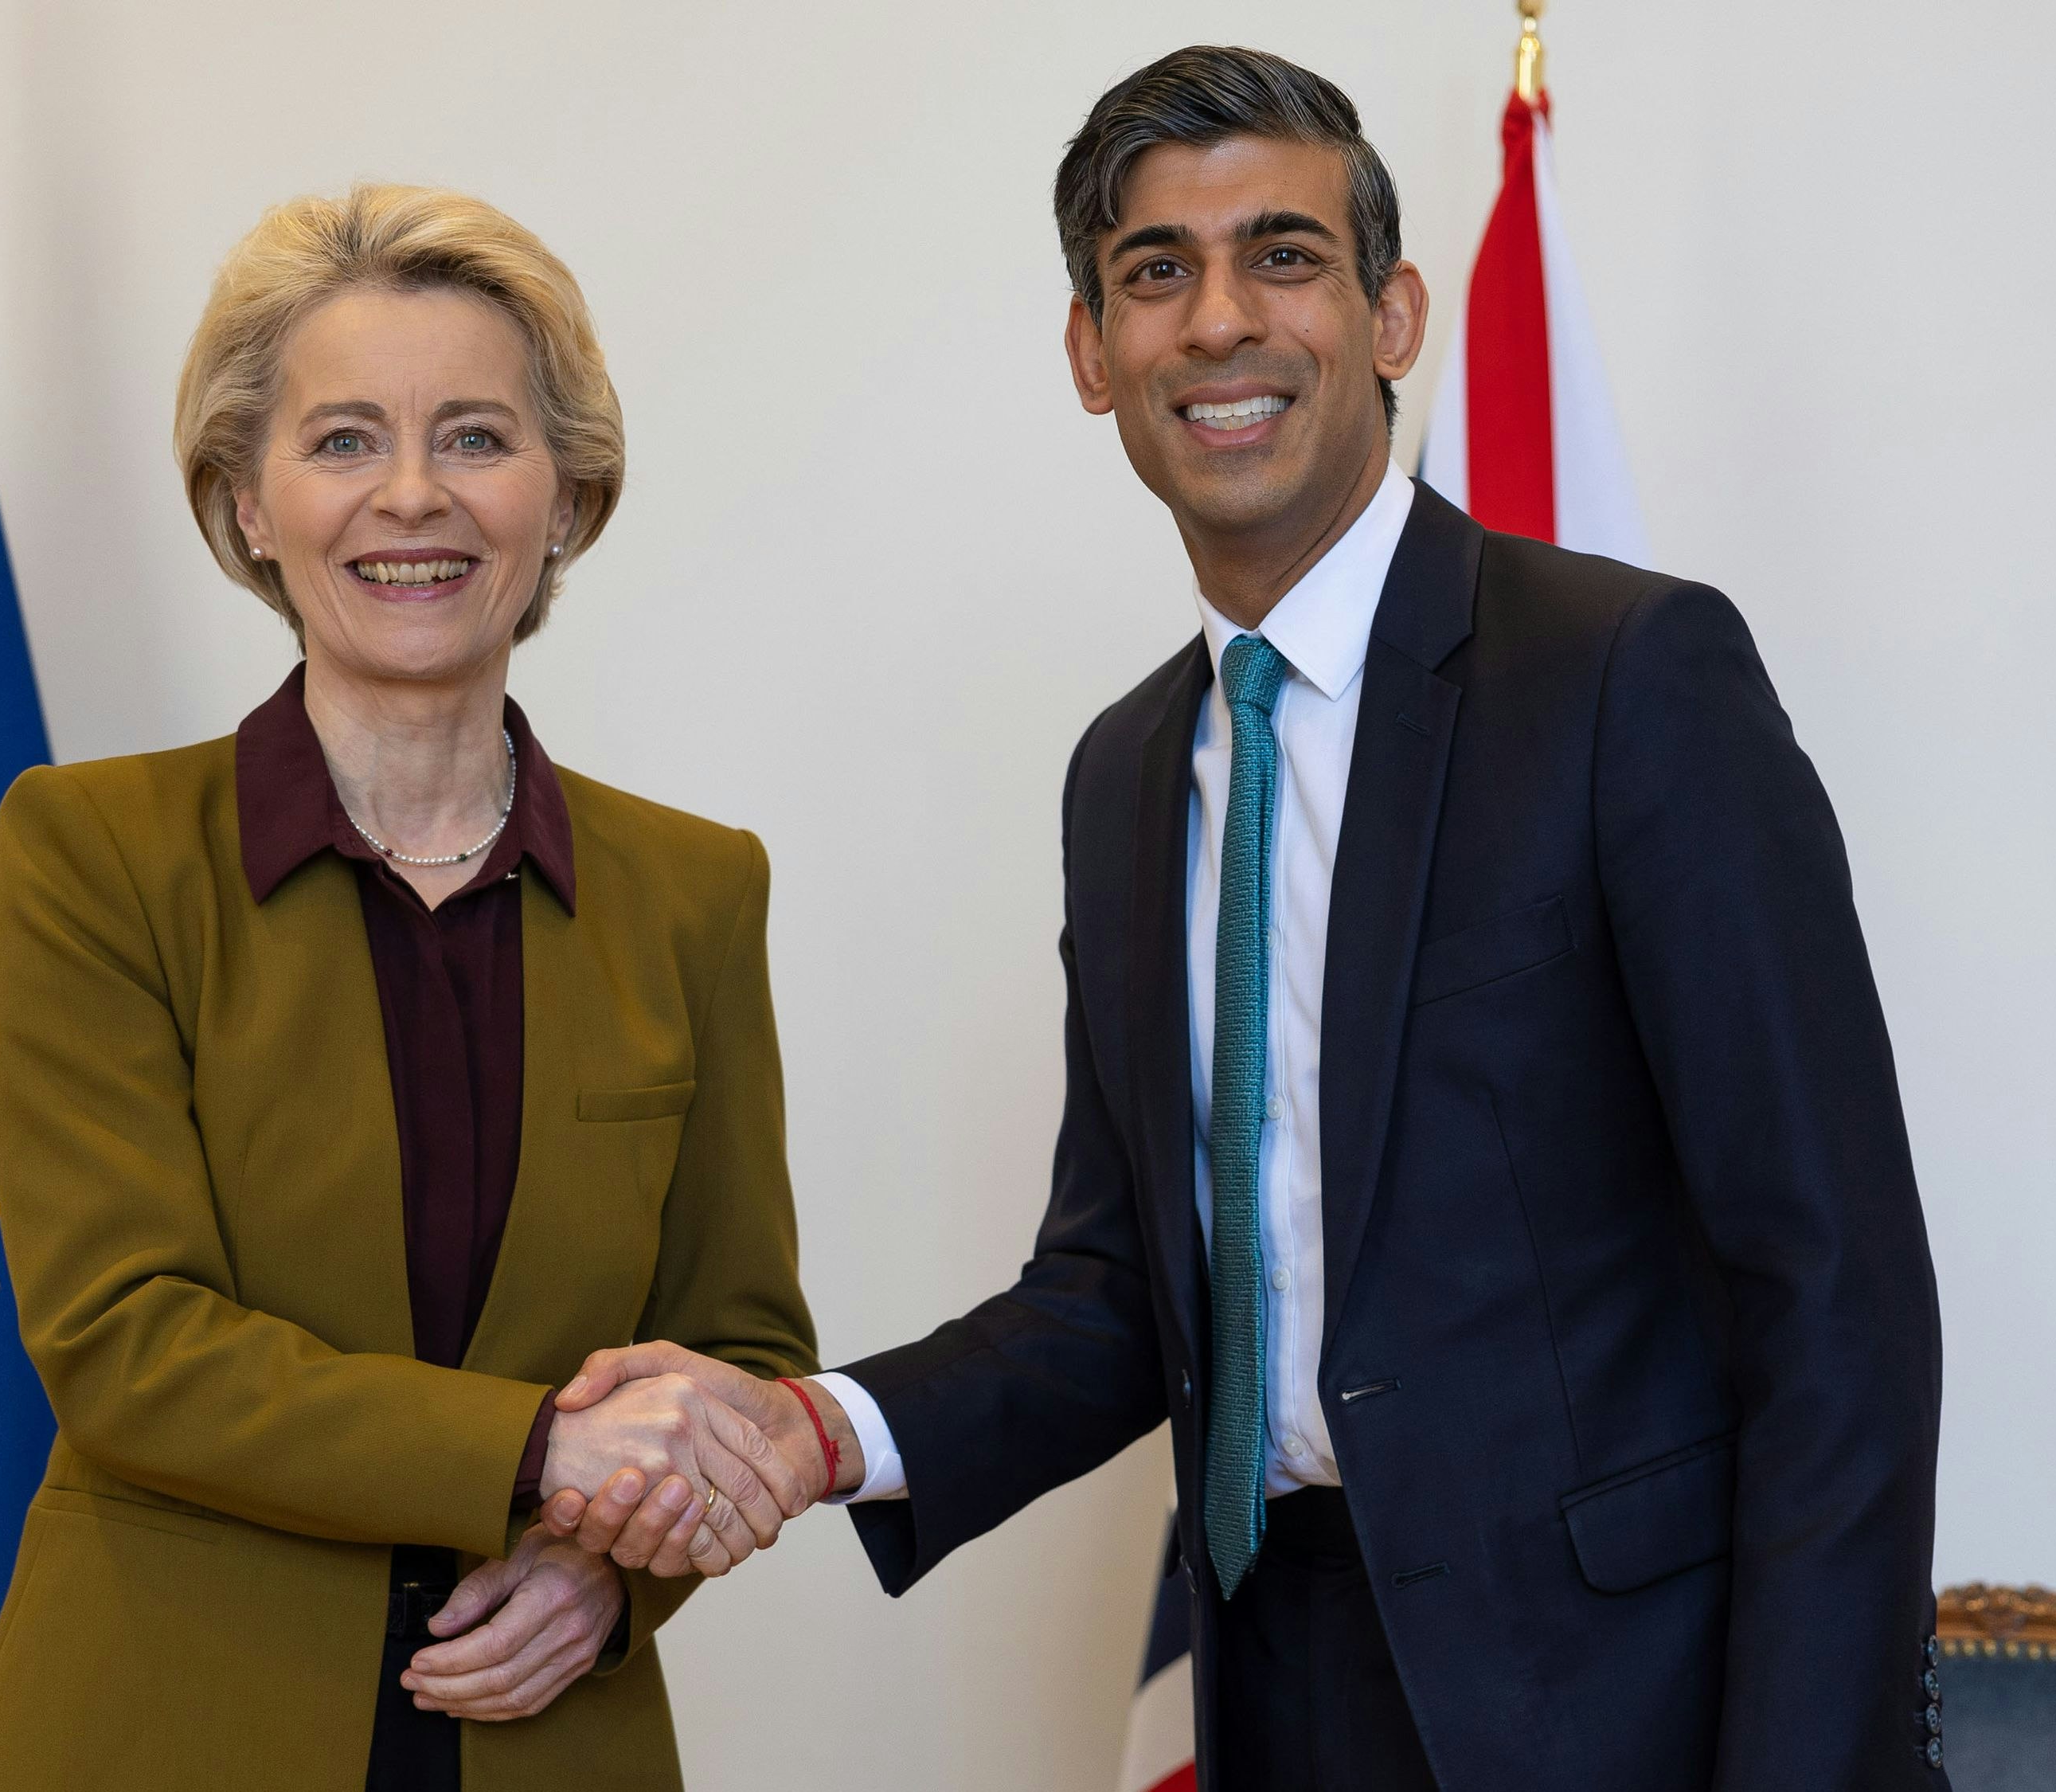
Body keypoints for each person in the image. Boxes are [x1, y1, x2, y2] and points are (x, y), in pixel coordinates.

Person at [553, 46, 1951, 1791]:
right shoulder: (1126, 773)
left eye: (1282, 256)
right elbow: (1119, 1295)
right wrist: (815, 1428)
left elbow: (1833, 1296)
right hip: (1279, 1681)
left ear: (1391, 316)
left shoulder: (1625, 677)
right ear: (1092, 355)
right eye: (1156, 273)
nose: (1218, 320)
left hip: (1623, 1706)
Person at [0, 184, 821, 1792]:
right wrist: (544, 1448)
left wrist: (611, 1578)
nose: (413, 495)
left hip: (548, 1735)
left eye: (476, 437)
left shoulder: (697, 890)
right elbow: (126, 1342)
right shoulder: (92, 850)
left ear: (565, 498)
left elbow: (737, 1348)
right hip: (159, 1727)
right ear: (249, 503)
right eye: (343, 440)